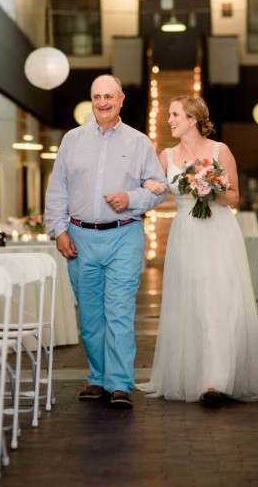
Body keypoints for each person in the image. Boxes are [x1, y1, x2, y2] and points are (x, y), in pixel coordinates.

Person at [44, 74, 167, 409]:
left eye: (109, 96)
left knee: (119, 311)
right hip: (79, 238)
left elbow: (159, 186)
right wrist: (59, 230)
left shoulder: (139, 142)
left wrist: (131, 198)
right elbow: (58, 189)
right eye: (97, 96)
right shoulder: (72, 140)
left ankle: (120, 383)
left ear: (121, 99)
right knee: (90, 316)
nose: (102, 103)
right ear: (91, 99)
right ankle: (98, 378)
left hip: (124, 235)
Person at [136, 95, 258, 407]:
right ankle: (193, 374)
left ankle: (216, 381)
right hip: (185, 236)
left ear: (193, 119)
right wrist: (143, 191)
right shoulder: (165, 156)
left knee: (219, 303)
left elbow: (234, 198)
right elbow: (149, 190)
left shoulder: (221, 151)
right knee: (190, 303)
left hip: (218, 233)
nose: (169, 120)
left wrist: (212, 189)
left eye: (175, 114)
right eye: (169, 115)